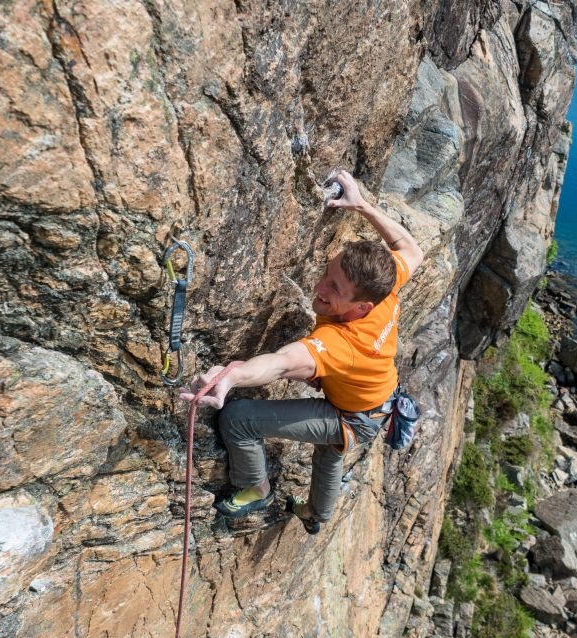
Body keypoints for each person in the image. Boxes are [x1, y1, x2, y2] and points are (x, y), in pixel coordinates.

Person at [181, 169, 424, 534]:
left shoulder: (343, 344)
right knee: (330, 450)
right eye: (327, 274)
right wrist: (361, 205)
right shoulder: (383, 289)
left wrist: (233, 376)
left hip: (354, 415)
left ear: (362, 308)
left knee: (238, 418)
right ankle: (316, 515)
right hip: (377, 400)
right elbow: (411, 250)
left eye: (334, 289)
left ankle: (257, 489)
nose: (319, 287)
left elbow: (282, 363)